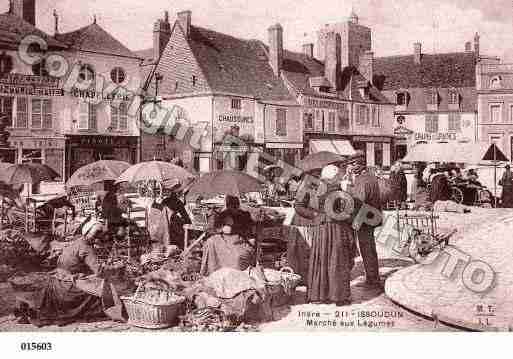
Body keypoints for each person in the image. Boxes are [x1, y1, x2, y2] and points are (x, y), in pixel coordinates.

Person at [14, 222, 124, 327]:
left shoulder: (77, 241)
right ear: (90, 234)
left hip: (58, 276)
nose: (97, 238)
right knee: (102, 287)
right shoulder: (87, 248)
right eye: (96, 235)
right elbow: (99, 271)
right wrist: (116, 267)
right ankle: (105, 311)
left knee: (93, 281)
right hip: (67, 282)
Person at [294, 165, 356, 306]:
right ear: (333, 176)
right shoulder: (319, 186)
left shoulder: (319, 186)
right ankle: (337, 296)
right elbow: (298, 205)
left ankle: (321, 296)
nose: (339, 177)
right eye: (337, 175)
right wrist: (315, 214)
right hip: (331, 228)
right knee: (336, 261)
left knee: (327, 260)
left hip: (330, 227)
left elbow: (298, 205)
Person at [353, 166, 382, 288]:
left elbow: (359, 200)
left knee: (366, 247)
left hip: (364, 217)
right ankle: (373, 276)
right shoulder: (372, 178)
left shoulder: (360, 180)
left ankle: (372, 279)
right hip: (372, 216)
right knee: (370, 246)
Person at [200, 212, 257, 276]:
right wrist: (221, 229)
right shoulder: (221, 215)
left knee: (237, 256)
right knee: (211, 242)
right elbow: (213, 229)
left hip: (238, 240)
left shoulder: (243, 215)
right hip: (224, 238)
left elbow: (248, 234)